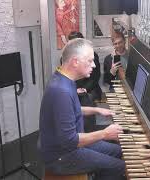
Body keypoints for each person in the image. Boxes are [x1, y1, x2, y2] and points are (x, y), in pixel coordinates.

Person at [39, 38, 126, 180]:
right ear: (75, 62)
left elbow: (72, 110)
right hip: (61, 156)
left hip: (69, 146)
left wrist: (97, 110)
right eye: (90, 61)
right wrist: (104, 133)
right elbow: (71, 141)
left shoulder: (64, 78)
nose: (93, 65)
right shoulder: (61, 91)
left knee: (118, 150)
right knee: (118, 166)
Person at [67, 31, 103, 132]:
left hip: (90, 88)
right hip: (75, 88)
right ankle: (75, 133)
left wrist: (85, 89)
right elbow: (68, 78)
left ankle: (89, 132)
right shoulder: (66, 58)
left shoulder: (92, 55)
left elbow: (95, 77)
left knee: (86, 100)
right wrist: (74, 90)